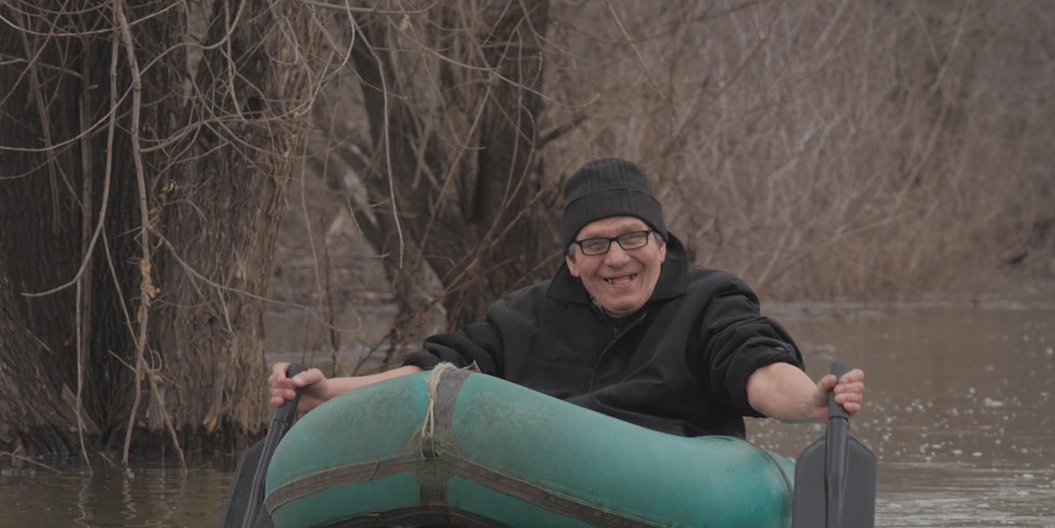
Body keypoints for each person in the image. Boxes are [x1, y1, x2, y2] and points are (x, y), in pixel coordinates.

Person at [270, 157, 864, 438]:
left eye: (633, 238)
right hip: (536, 469)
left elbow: (754, 368)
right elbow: (433, 374)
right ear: (571, 260)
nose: (617, 259)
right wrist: (328, 393)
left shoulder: (710, 303)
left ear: (660, 244)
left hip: (671, 469)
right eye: (596, 244)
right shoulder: (523, 317)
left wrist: (812, 398)